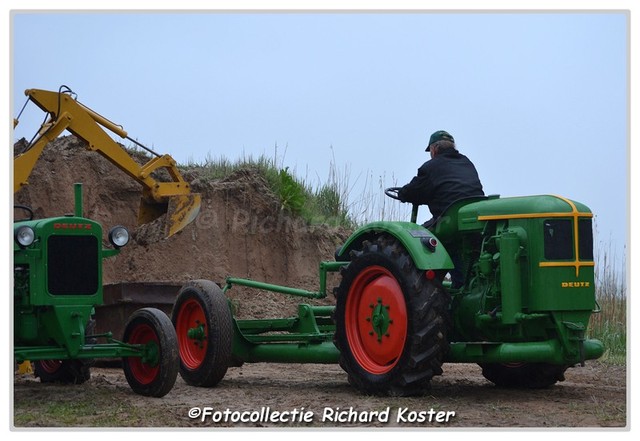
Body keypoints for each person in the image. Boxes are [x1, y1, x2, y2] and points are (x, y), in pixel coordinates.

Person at [397, 130, 484, 288]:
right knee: (457, 248)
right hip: (473, 220)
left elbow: (414, 191)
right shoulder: (467, 163)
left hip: (448, 221)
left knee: (416, 237)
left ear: (434, 149)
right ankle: (460, 284)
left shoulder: (430, 167)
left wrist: (403, 193)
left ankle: (421, 287)